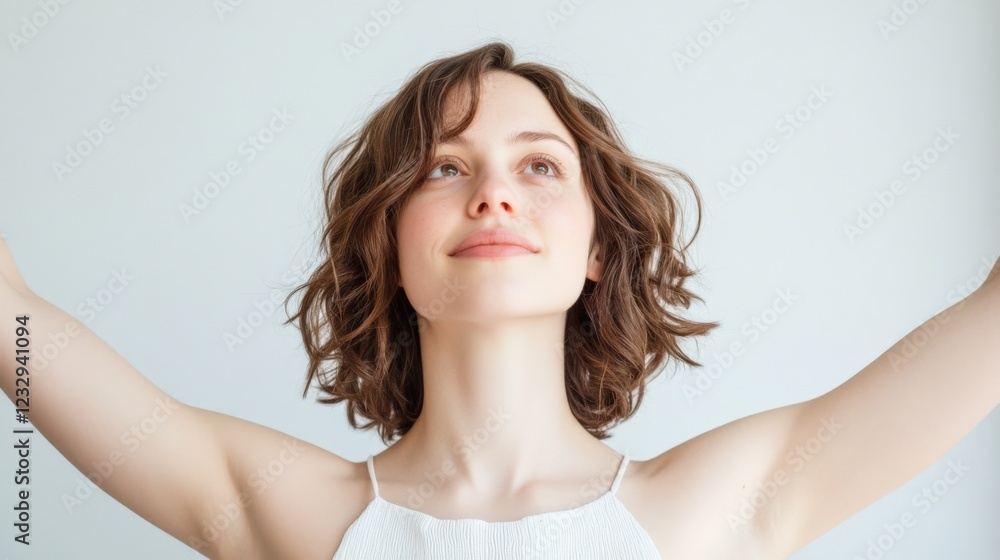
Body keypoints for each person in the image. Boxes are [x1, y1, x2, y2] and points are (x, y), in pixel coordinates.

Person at [1, 40, 998, 560]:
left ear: (600, 247)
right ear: (387, 247)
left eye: (538, 165)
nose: (493, 192)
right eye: (443, 168)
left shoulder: (711, 510)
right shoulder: (292, 518)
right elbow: (14, 325)